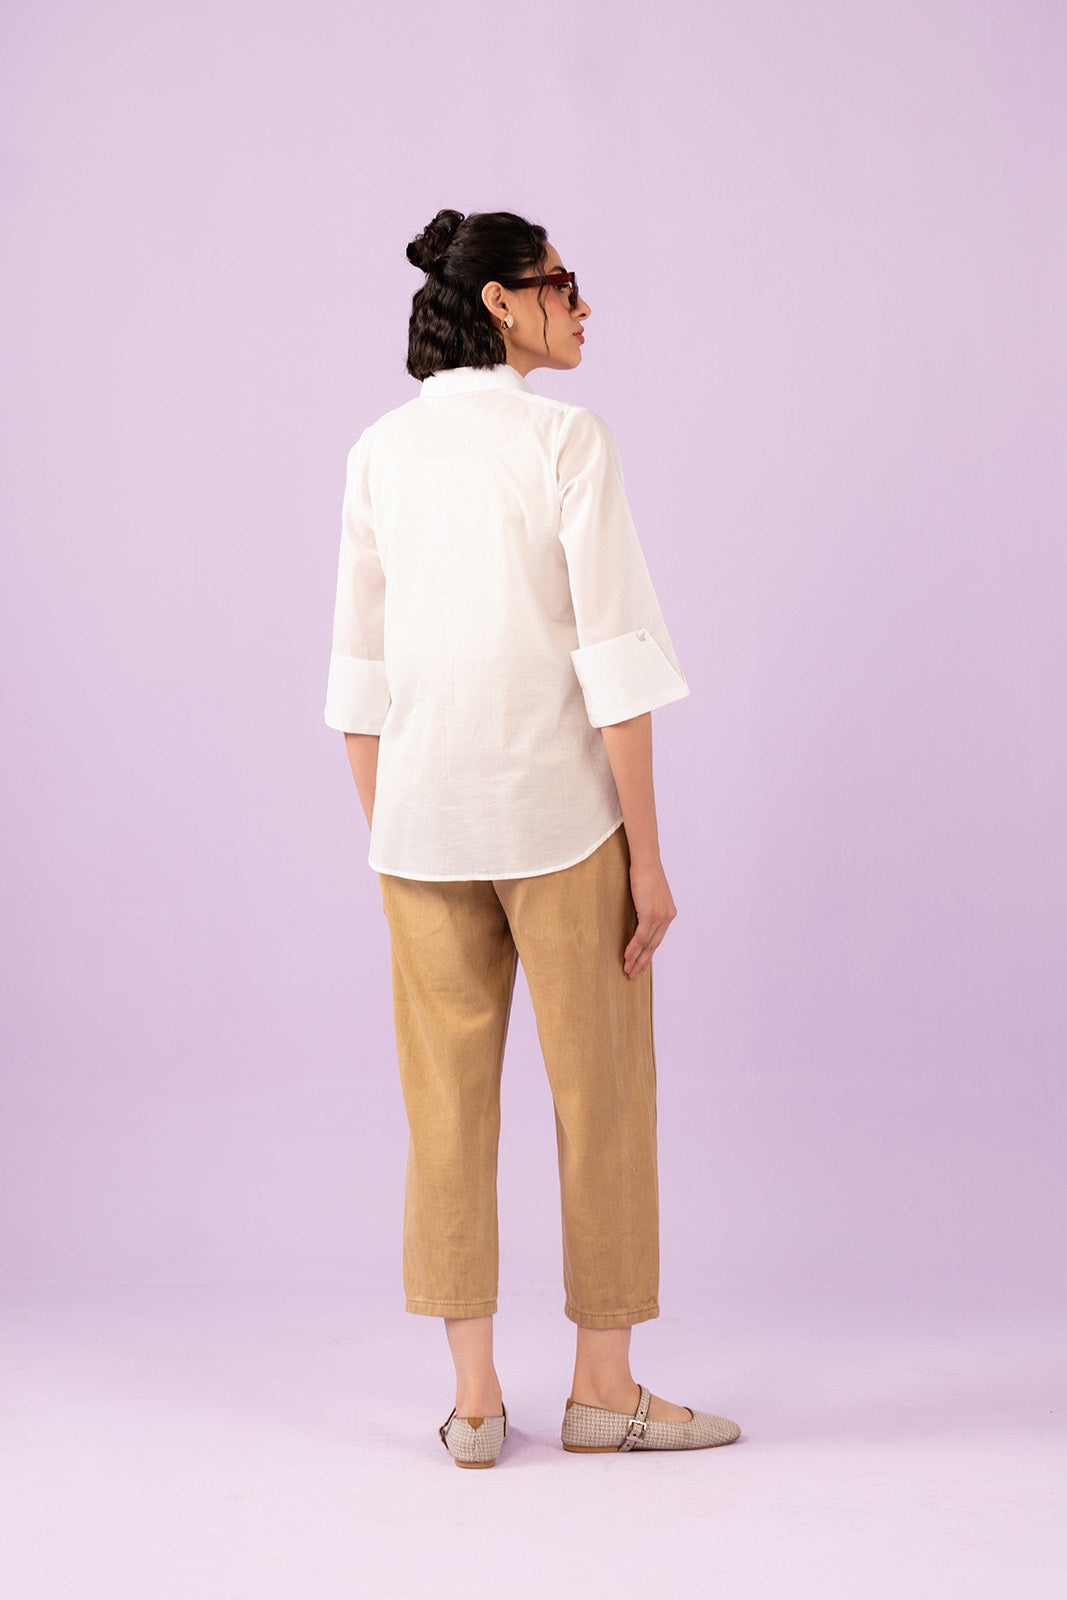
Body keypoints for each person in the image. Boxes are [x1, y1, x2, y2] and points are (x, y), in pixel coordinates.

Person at [324, 208, 742, 1467]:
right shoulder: (567, 440)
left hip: (418, 834)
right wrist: (647, 861)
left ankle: (472, 1404)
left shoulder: (377, 452)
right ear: (503, 301)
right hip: (562, 824)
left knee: (442, 1112)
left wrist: (398, 834)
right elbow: (613, 659)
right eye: (563, 283)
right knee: (599, 1101)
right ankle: (603, 1391)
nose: (582, 304)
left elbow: (359, 679)